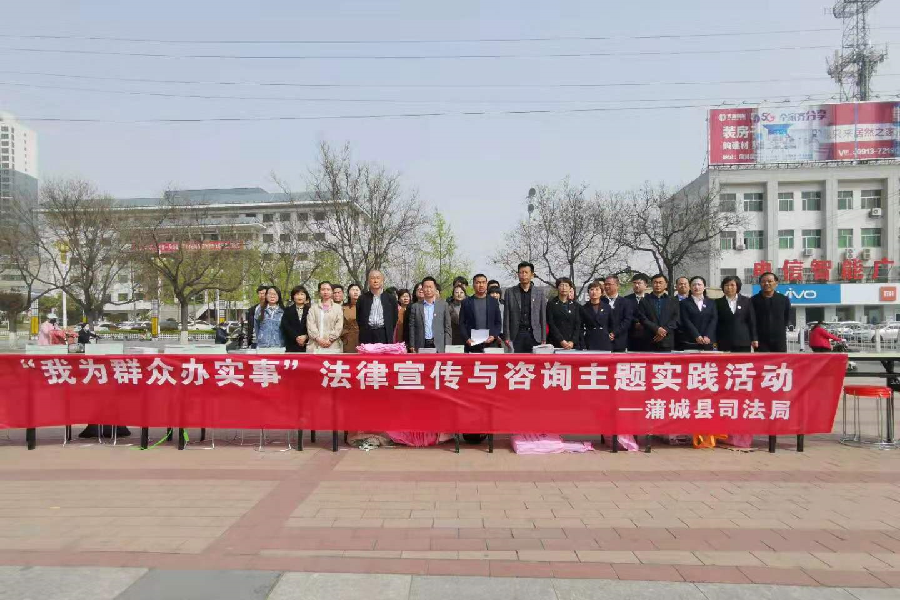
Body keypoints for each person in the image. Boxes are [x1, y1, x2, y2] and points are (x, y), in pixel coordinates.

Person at [503, 261, 547, 353]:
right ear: (518, 274)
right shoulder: (510, 292)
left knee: (534, 360)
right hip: (517, 334)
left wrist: (543, 337)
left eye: (526, 272)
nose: (523, 275)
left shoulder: (539, 292)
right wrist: (506, 336)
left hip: (534, 334)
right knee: (517, 360)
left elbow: (543, 316)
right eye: (521, 272)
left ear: (532, 275)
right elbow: (506, 316)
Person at [460, 274, 503, 353]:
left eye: (483, 282)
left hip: (490, 343)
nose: (481, 285)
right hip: (472, 344)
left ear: (486, 284)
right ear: (473, 285)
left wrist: (494, 336)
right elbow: (462, 323)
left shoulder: (493, 301)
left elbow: (498, 322)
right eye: (478, 282)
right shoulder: (466, 302)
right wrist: (467, 339)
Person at [637, 274, 680, 352]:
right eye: (655, 282)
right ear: (652, 284)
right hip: (649, 340)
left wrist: (664, 331)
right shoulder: (644, 301)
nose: (658, 285)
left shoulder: (673, 301)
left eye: (660, 282)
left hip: (667, 340)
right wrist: (656, 329)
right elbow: (642, 318)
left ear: (666, 284)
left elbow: (676, 319)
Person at [408, 276, 452, 352]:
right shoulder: (415, 306)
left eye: (430, 287)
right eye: (426, 287)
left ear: (435, 289)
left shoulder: (443, 305)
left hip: (439, 345)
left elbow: (447, 327)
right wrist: (412, 344)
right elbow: (412, 327)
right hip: (421, 344)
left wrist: (448, 345)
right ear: (422, 289)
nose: (428, 290)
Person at [715, 275, 757, 352]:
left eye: (732, 285)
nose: (729, 287)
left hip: (743, 341)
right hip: (724, 341)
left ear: (737, 286)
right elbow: (715, 322)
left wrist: (754, 338)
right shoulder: (717, 302)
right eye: (726, 285)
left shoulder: (746, 301)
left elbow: (752, 321)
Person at [751, 272, 791, 352]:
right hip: (761, 340)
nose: (766, 283)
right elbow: (752, 320)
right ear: (760, 284)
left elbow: (787, 316)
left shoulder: (783, 299)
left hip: (779, 339)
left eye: (769, 281)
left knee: (780, 359)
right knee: (762, 360)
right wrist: (754, 338)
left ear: (776, 283)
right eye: (763, 282)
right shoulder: (753, 300)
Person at [357, 270, 399, 345]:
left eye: (378, 278)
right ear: (368, 281)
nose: (375, 281)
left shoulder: (390, 298)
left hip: (384, 333)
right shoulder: (362, 298)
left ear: (382, 280)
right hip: (367, 334)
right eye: (372, 278)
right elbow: (359, 318)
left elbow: (394, 318)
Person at [678, 276, 717, 351]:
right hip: (690, 340)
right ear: (690, 287)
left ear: (704, 287)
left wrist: (707, 335)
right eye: (694, 285)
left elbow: (714, 320)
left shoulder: (712, 302)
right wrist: (696, 335)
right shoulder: (684, 303)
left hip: (709, 341)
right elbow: (686, 320)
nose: (696, 287)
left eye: (699, 284)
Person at [307, 281, 344, 354]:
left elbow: (339, 326)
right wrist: (318, 339)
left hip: (333, 345)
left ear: (332, 292)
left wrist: (330, 340)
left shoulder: (338, 308)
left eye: (328, 289)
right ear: (319, 292)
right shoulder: (313, 308)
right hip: (315, 344)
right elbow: (310, 325)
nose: (325, 292)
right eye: (323, 289)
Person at [546, 277, 581, 350]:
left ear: (570, 288)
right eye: (561, 285)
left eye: (566, 286)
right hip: (556, 342)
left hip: (572, 344)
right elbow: (551, 324)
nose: (564, 288)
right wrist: (561, 340)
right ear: (557, 288)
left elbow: (578, 325)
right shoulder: (551, 304)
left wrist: (572, 341)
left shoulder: (576, 305)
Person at [603, 275, 633, 352]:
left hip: (620, 341)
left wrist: (614, 333)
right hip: (602, 341)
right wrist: (606, 334)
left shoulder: (626, 302)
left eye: (609, 284)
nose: (606, 286)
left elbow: (627, 321)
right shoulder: (600, 301)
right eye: (605, 284)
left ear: (617, 286)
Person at [581, 280, 612, 351]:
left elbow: (611, 324)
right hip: (590, 341)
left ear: (601, 292)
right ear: (588, 292)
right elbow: (580, 327)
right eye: (591, 289)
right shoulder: (584, 308)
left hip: (604, 340)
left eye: (597, 289)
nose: (594, 292)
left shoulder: (607, 307)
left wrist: (611, 334)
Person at [625, 273, 651, 352]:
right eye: (634, 283)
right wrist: (635, 322)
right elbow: (626, 315)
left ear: (645, 285)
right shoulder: (626, 299)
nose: (636, 285)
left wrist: (644, 323)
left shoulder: (651, 299)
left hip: (649, 335)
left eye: (639, 283)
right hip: (632, 335)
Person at [281, 285, 310, 353]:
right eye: (297, 294)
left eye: (302, 294)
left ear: (306, 297)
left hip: (307, 344)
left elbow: (313, 325)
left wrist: (306, 336)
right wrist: (296, 337)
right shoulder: (287, 310)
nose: (299, 296)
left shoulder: (310, 310)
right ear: (293, 297)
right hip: (291, 344)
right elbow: (285, 326)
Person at [245, 284, 267, 349]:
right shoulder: (253, 310)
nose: (262, 295)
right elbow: (250, 327)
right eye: (260, 293)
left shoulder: (271, 309)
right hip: (255, 342)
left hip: (268, 342)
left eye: (264, 293)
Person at [341, 283, 361, 353]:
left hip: (362, 338)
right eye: (353, 290)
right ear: (348, 294)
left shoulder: (366, 307)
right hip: (348, 339)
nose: (355, 292)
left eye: (357, 290)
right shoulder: (343, 308)